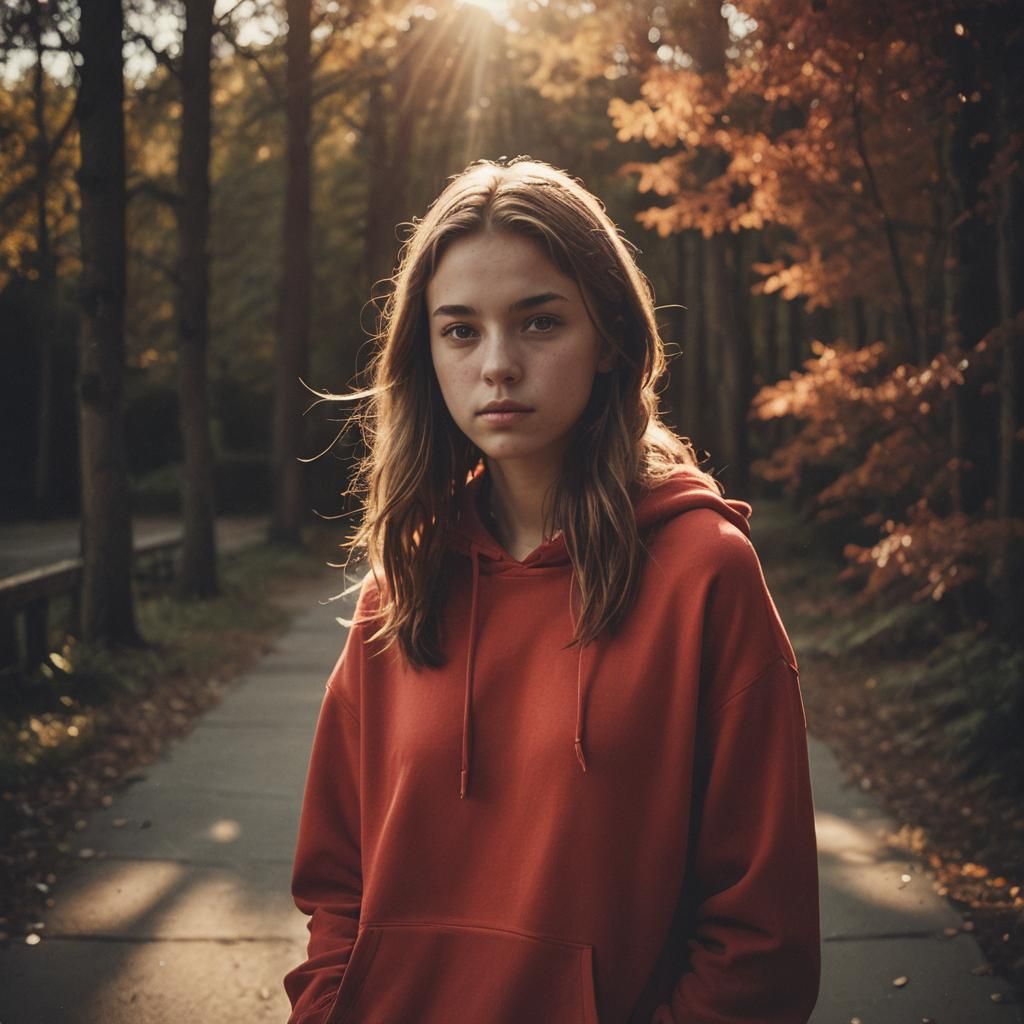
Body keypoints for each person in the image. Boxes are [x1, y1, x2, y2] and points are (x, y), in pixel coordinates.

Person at [282, 156, 820, 1023]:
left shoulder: (704, 575)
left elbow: (762, 939)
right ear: (426, 350)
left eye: (538, 323)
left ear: (609, 337)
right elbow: (336, 882)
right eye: (460, 330)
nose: (497, 365)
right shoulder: (404, 584)